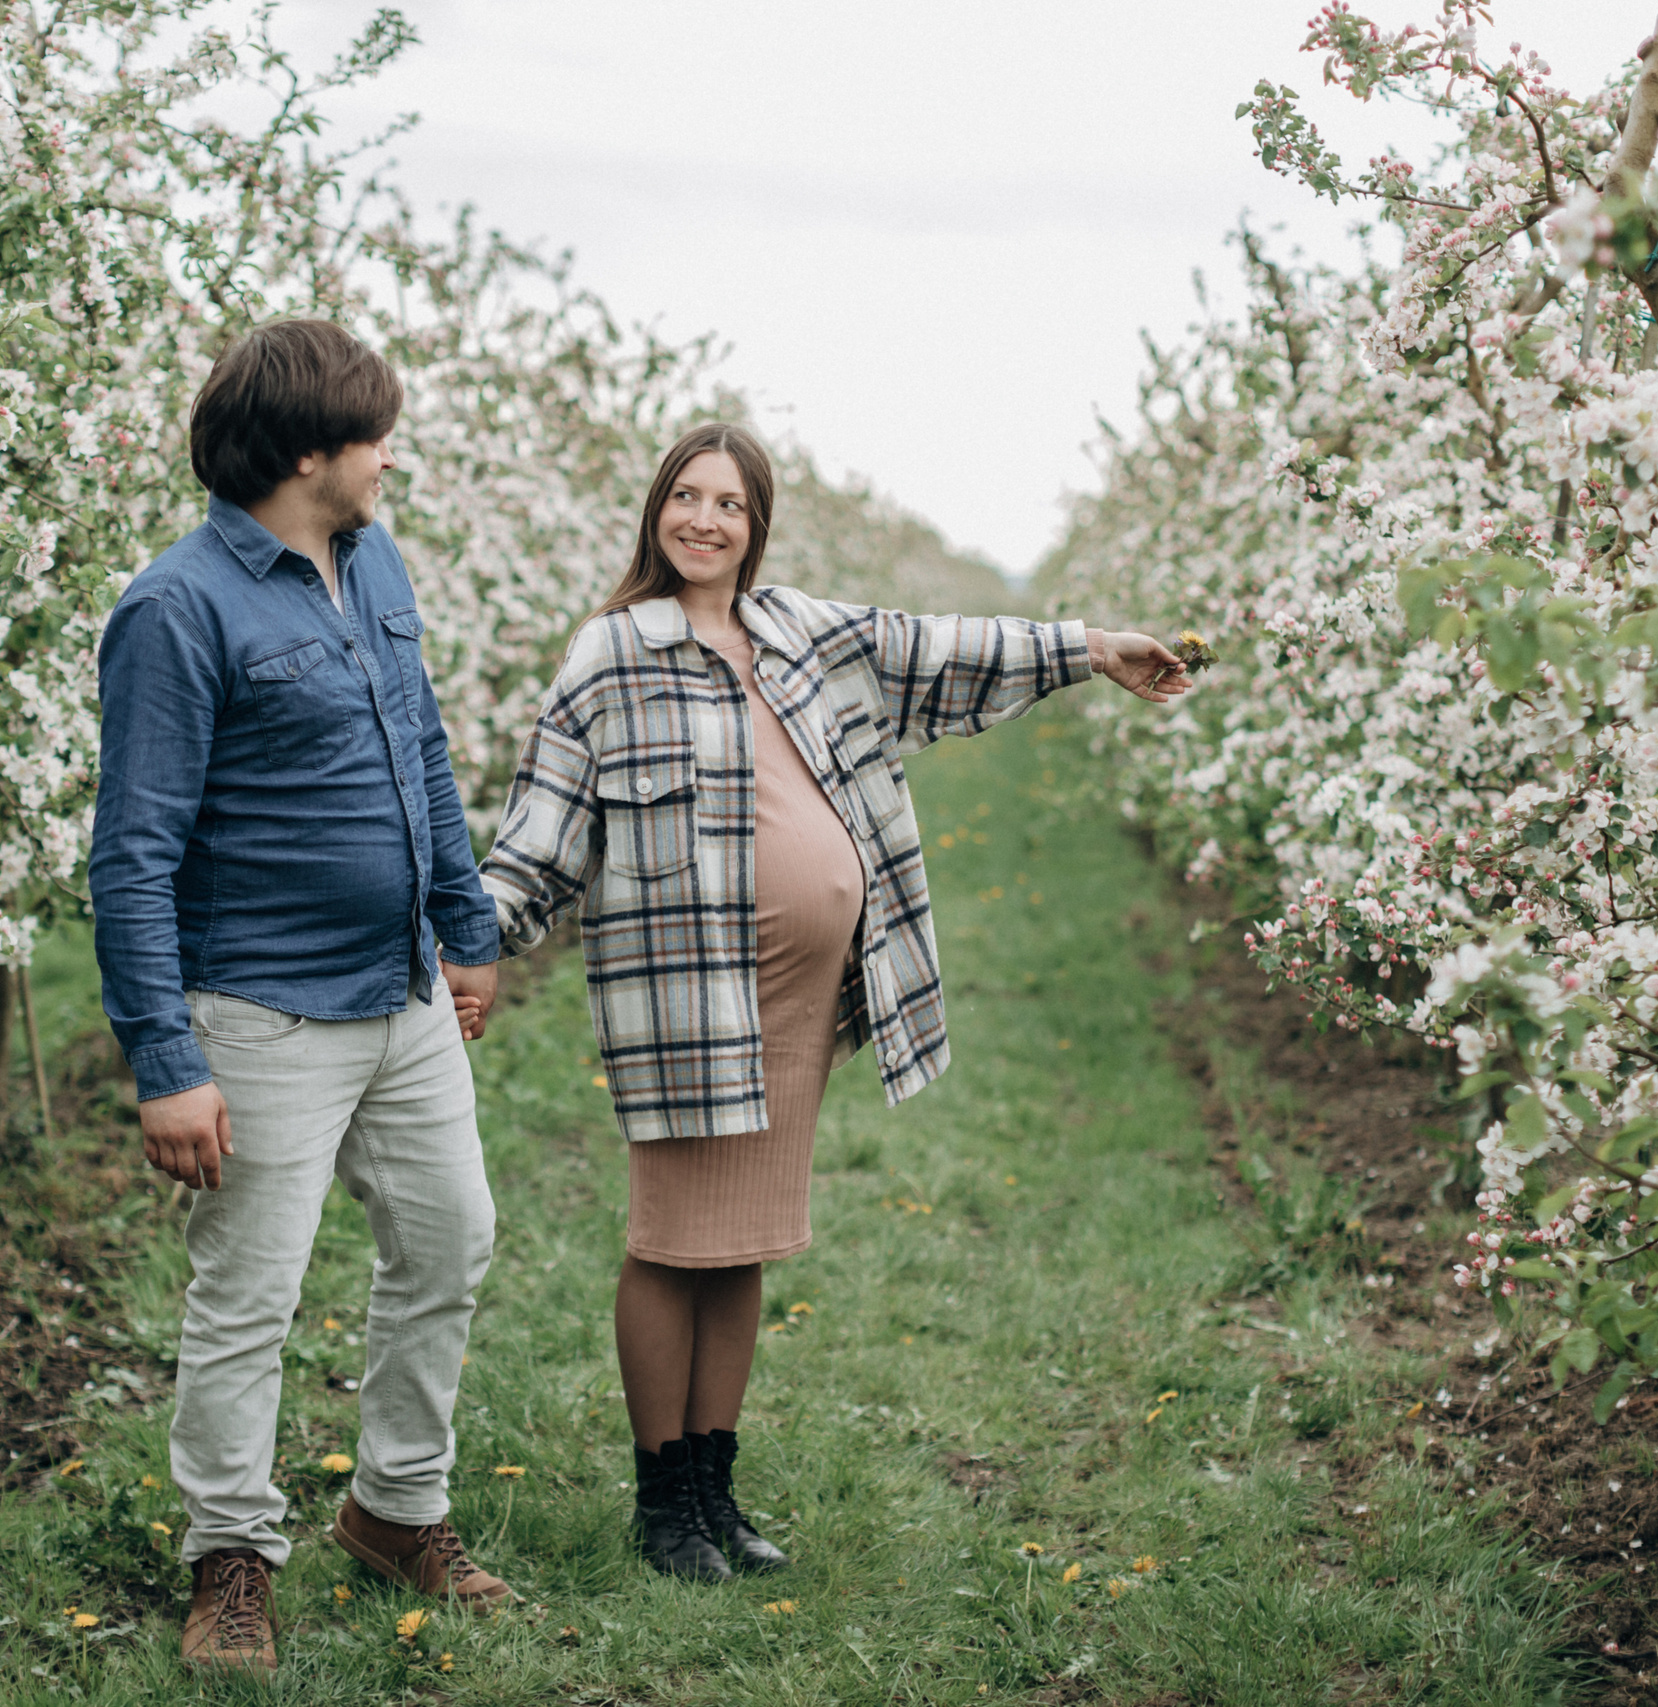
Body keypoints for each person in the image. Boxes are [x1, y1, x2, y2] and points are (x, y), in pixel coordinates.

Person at [473, 421, 1190, 1582]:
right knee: (671, 1243)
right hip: (688, 1000)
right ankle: (663, 1511)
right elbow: (542, 832)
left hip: (801, 999)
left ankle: (714, 1491)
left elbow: (944, 647)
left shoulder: (798, 631)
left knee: (744, 1242)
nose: (705, 521)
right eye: (687, 498)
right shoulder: (610, 654)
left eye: (730, 506)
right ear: (657, 510)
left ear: (755, 530)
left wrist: (1091, 648)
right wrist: (476, 939)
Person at [89, 319, 513, 1674]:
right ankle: (231, 1552)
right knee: (248, 1296)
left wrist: (466, 921)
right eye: (374, 430)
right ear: (309, 450)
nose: (392, 452)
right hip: (259, 1011)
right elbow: (133, 851)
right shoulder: (179, 606)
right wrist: (167, 1058)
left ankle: (395, 1505)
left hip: (399, 994)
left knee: (451, 1239)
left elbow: (423, 749)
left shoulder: (371, 556)